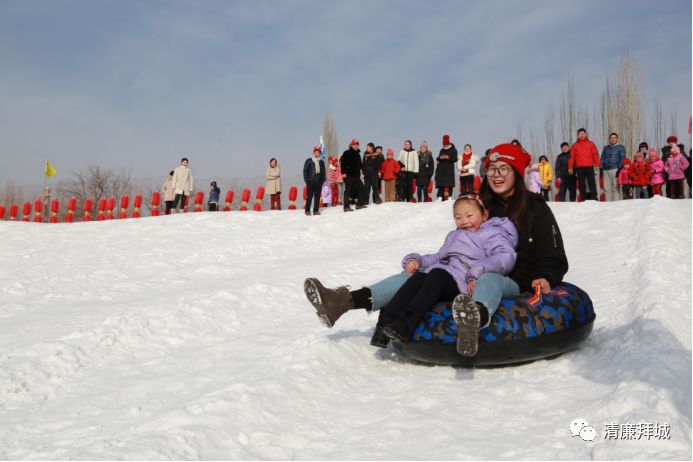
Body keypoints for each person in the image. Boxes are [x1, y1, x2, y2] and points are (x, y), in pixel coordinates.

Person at [304, 143, 569, 357]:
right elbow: (459, 246)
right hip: (464, 274)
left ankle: (475, 317)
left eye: (504, 169)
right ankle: (343, 301)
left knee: (481, 278)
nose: (497, 175)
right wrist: (425, 261)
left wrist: (545, 276)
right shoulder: (480, 203)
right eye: (492, 169)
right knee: (419, 275)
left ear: (517, 172)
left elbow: (553, 254)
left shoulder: (535, 207)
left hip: (511, 279)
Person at [374, 196, 518, 354]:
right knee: (419, 277)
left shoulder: (492, 233)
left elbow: (504, 256)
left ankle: (407, 323)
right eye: (458, 217)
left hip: (465, 283)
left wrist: (477, 272)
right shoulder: (454, 235)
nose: (464, 221)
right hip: (449, 276)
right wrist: (418, 260)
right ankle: (385, 323)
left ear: (484, 216)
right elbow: (439, 257)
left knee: (436, 274)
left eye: (469, 215)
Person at [568, 128, 600, 201]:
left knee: (592, 183)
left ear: (585, 134)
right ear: (577, 135)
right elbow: (571, 158)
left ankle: (594, 198)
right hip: (579, 168)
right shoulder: (574, 145)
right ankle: (583, 199)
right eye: (580, 134)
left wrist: (597, 165)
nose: (581, 135)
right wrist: (570, 168)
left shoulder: (591, 144)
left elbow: (595, 155)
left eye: (583, 134)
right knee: (581, 184)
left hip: (589, 166)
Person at [340, 139, 367, 212]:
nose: (356, 146)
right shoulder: (347, 152)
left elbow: (360, 165)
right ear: (351, 145)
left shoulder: (358, 155)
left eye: (357, 145)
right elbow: (343, 164)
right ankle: (346, 207)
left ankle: (359, 204)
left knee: (362, 188)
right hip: (348, 175)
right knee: (348, 190)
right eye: (354, 144)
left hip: (357, 176)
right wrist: (343, 173)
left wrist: (362, 171)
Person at [600, 133, 626, 201]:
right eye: (611, 138)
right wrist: (601, 168)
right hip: (606, 170)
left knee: (615, 187)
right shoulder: (606, 148)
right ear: (609, 139)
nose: (612, 139)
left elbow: (622, 158)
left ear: (617, 139)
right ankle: (608, 203)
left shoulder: (620, 147)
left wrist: (620, 169)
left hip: (615, 169)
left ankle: (616, 203)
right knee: (606, 188)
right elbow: (602, 159)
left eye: (614, 138)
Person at [303, 146, 326, 216]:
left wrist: (321, 181)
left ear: (320, 154)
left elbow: (323, 173)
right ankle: (307, 210)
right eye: (315, 152)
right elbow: (305, 171)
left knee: (317, 197)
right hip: (310, 181)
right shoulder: (309, 160)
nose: (317, 154)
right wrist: (307, 181)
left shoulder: (321, 162)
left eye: (318, 152)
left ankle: (316, 210)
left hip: (318, 182)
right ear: (313, 153)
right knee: (309, 196)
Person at [435, 134, 458, 200]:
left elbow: (455, 159)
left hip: (449, 169)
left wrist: (448, 157)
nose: (445, 146)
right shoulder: (441, 150)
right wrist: (440, 157)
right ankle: (440, 197)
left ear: (449, 143)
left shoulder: (454, 150)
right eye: (444, 145)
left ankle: (450, 196)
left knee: (449, 183)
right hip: (441, 169)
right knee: (440, 183)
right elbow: (438, 158)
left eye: (446, 145)